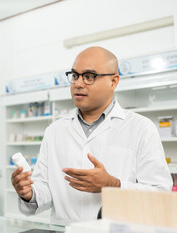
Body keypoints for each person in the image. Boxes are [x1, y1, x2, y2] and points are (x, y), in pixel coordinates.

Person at [11, 46, 173, 223]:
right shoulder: (54, 131)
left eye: (89, 76)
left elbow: (160, 194)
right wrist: (29, 193)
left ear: (113, 81)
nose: (78, 84)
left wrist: (112, 184)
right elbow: (47, 190)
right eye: (74, 76)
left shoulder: (141, 128)